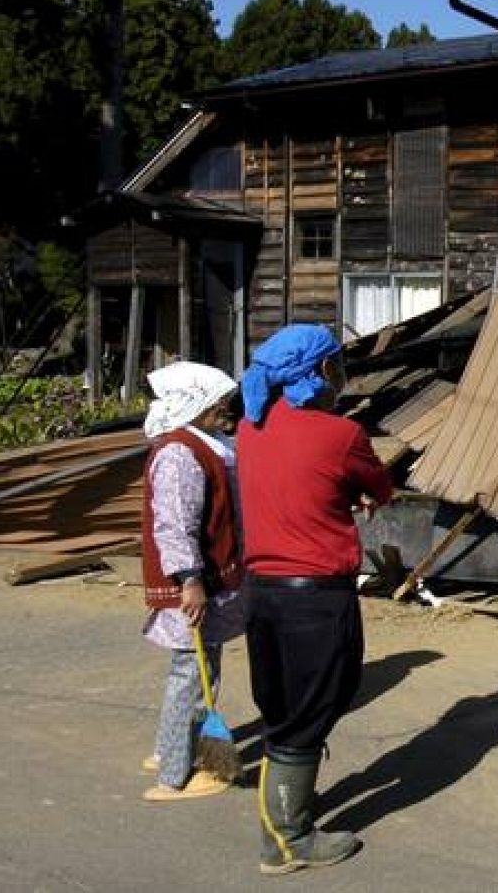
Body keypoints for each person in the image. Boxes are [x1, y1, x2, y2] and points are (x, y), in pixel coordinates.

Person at [237, 323, 392, 875]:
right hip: (316, 599)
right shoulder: (339, 434)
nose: (341, 376)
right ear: (322, 371)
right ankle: (287, 838)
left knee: (281, 709)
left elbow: (301, 485)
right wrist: (356, 494)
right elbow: (380, 487)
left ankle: (286, 803)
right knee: (312, 710)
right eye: (337, 365)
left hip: (263, 596)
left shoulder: (250, 428)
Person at [138, 361, 244, 802]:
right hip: (197, 581)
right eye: (217, 400)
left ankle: (169, 751)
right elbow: (175, 524)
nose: (225, 406)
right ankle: (176, 775)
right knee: (193, 675)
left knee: (193, 670)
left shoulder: (207, 444)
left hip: (208, 575)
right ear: (194, 403)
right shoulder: (180, 454)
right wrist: (190, 580)